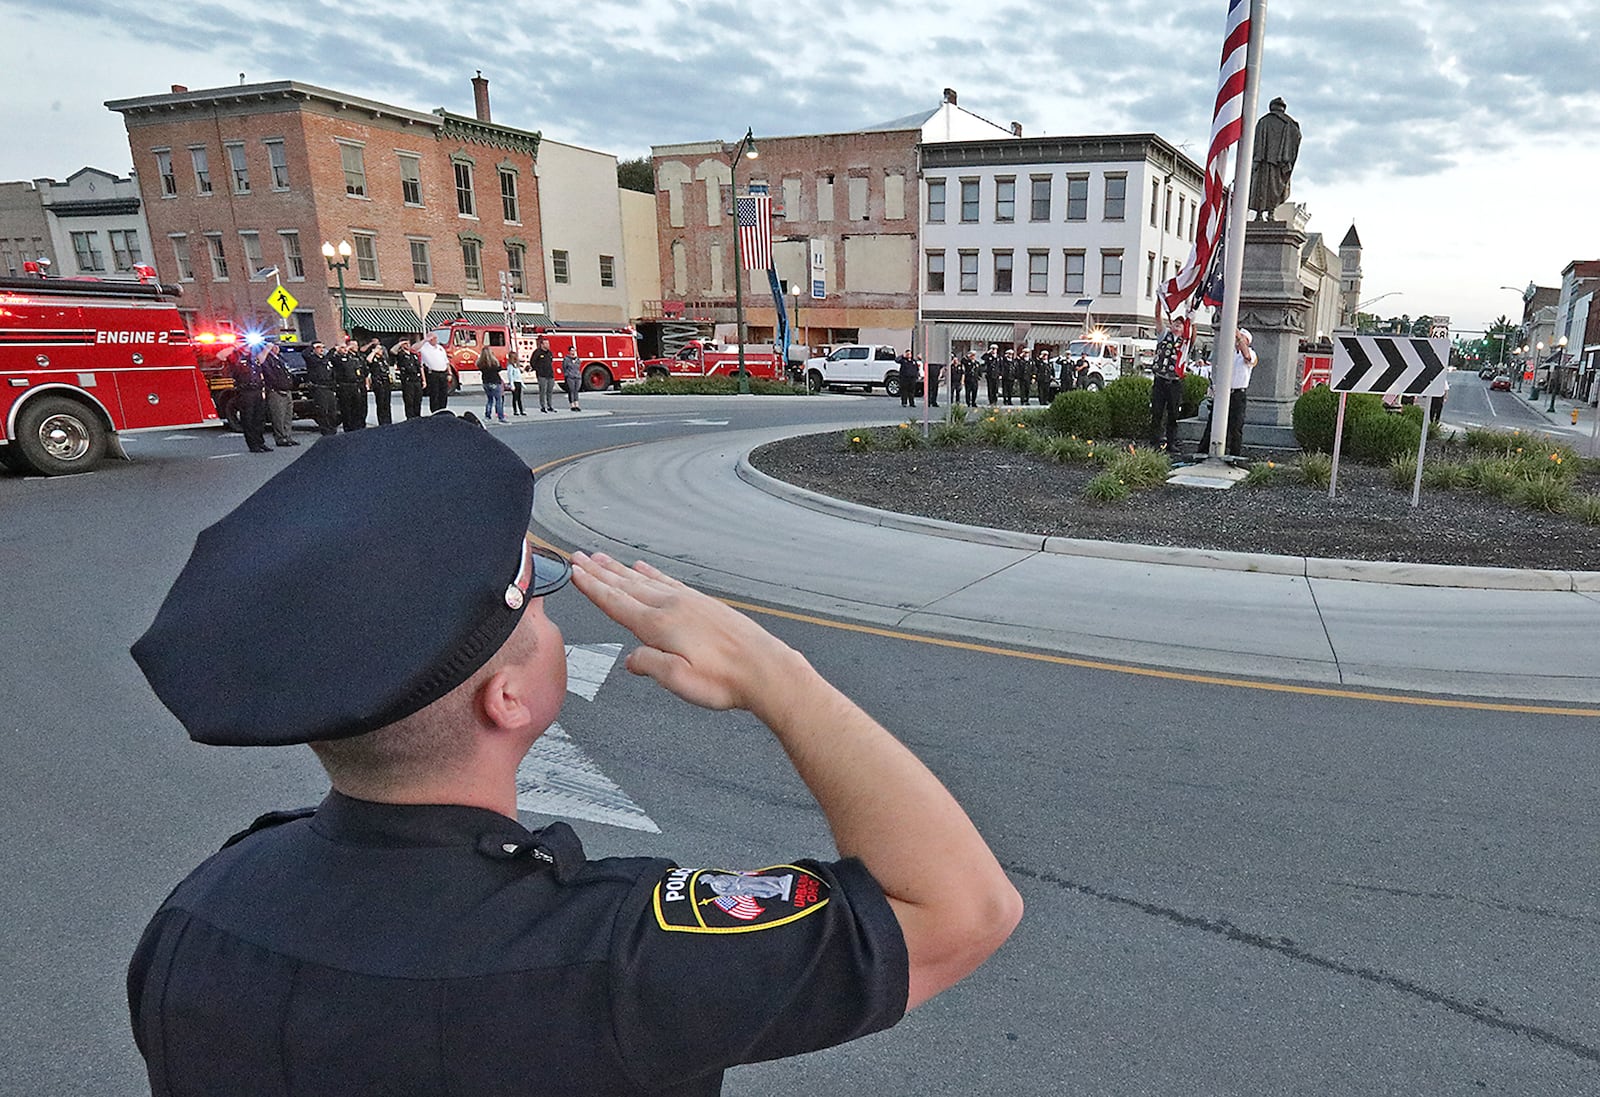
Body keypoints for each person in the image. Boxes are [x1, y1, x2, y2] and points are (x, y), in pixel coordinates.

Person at [125, 416, 1022, 1096]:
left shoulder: (197, 916)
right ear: (505, 698)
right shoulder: (611, 955)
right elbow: (966, 908)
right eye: (541, 601)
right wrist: (778, 675)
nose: (555, 617)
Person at [1249, 97, 1301, 220]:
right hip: (1279, 163)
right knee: (1274, 188)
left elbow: (1256, 143)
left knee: (1261, 188)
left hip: (1262, 161)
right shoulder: (1289, 123)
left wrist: (1256, 159)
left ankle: (1259, 214)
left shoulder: (1263, 121)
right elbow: (1297, 138)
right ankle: (1271, 213)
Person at [224, 344, 270, 453]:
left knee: (259, 419)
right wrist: (235, 346)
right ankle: (253, 445)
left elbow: (265, 354)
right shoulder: (236, 358)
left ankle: (260, 442)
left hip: (257, 391)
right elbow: (220, 355)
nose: (248, 347)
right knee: (248, 419)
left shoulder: (254, 359)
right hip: (245, 392)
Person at [1149, 318, 1185, 454]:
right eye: (1175, 324)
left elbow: (1193, 334)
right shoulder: (1164, 336)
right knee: (1157, 412)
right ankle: (1155, 442)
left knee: (1173, 414)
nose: (1177, 327)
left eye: (1180, 325)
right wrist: (1159, 302)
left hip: (1174, 381)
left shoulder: (1184, 344)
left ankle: (1171, 442)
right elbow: (1158, 319)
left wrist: (1191, 320)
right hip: (1160, 379)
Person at [259, 343, 298, 448]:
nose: (276, 348)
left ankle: (288, 436)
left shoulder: (281, 359)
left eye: (277, 346)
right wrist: (267, 349)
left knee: (288, 416)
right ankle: (280, 438)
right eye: (273, 347)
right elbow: (263, 366)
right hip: (276, 391)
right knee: (278, 416)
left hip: (287, 390)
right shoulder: (267, 359)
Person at [329, 334, 367, 432]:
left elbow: (360, 371)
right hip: (343, 386)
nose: (345, 349)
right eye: (342, 348)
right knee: (346, 408)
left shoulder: (352, 359)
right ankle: (348, 427)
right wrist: (335, 349)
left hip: (354, 385)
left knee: (357, 407)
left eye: (345, 348)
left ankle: (357, 426)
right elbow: (329, 358)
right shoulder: (336, 359)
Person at [301, 340, 338, 436]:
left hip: (329, 387)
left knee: (332, 410)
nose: (321, 349)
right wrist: (312, 346)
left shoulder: (326, 359)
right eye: (319, 348)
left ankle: (332, 429)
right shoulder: (312, 360)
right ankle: (326, 431)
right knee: (323, 410)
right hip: (319, 388)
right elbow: (305, 354)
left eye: (322, 347)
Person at [414, 332, 452, 412]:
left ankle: (443, 409)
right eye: (432, 338)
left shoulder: (440, 348)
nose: (435, 340)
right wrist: (425, 340)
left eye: (435, 338)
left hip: (443, 373)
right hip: (433, 373)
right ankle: (435, 411)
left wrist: (449, 373)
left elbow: (446, 362)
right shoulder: (424, 347)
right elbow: (414, 348)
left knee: (443, 393)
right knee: (434, 393)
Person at [393, 338, 424, 420]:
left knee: (418, 400)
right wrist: (400, 344)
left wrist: (424, 380)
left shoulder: (413, 355)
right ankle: (410, 418)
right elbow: (393, 351)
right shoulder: (401, 355)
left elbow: (420, 367)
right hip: (408, 380)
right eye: (406, 344)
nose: (408, 345)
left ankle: (417, 416)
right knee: (409, 400)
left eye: (408, 343)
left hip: (416, 380)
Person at [364, 339, 394, 426]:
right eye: (379, 349)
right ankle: (382, 421)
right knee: (380, 403)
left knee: (387, 403)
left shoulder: (383, 359)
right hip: (378, 382)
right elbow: (368, 360)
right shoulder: (373, 359)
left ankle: (388, 421)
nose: (381, 351)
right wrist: (374, 351)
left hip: (386, 382)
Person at [479, 343, 505, 422]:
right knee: (498, 400)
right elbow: (500, 368)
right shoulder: (494, 363)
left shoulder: (481, 363)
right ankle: (500, 417)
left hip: (486, 383)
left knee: (489, 400)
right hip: (495, 382)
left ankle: (487, 415)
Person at [530, 336, 556, 413]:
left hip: (550, 374)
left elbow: (551, 361)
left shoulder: (549, 353)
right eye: (546, 344)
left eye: (548, 343)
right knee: (542, 391)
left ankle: (550, 405)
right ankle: (543, 406)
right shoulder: (537, 352)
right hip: (541, 375)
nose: (548, 345)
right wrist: (538, 369)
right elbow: (532, 362)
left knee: (550, 391)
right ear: (542, 344)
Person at [505, 349, 526, 416]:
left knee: (519, 398)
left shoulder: (517, 366)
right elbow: (510, 375)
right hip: (514, 382)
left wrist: (522, 383)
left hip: (518, 382)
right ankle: (515, 411)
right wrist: (512, 384)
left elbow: (519, 376)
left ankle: (521, 410)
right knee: (515, 397)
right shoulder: (510, 366)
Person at [562, 346, 582, 411]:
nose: (573, 352)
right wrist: (567, 375)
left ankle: (577, 404)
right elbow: (564, 367)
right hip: (570, 377)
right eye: (572, 351)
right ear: (569, 351)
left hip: (577, 376)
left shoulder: (577, 359)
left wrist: (575, 360)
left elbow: (579, 366)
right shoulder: (566, 359)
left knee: (576, 391)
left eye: (574, 351)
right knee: (571, 390)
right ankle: (572, 405)